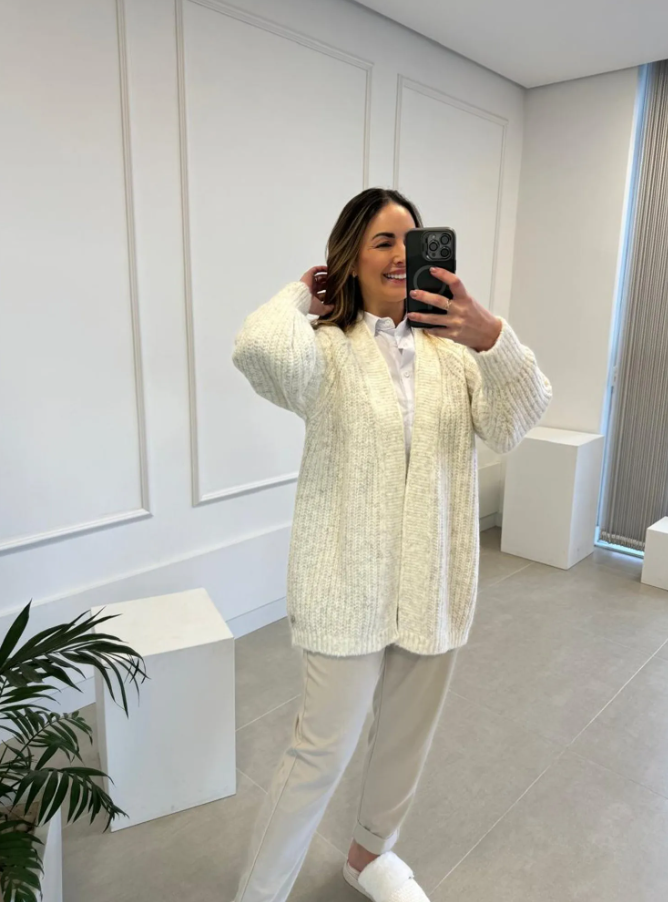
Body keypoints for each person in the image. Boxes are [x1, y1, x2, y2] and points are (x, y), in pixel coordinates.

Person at [231, 187, 552, 902]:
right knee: (320, 751)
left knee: (405, 739)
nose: (403, 255)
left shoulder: (455, 353)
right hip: (346, 581)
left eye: (414, 240)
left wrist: (491, 335)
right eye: (384, 241)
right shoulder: (325, 353)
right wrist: (302, 296)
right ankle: (260, 891)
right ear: (349, 259)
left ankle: (369, 855)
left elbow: (516, 418)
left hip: (433, 577)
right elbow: (257, 349)